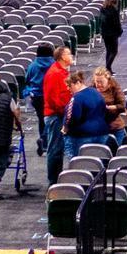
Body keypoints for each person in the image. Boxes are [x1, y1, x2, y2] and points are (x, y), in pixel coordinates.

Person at [41, 47, 75, 183]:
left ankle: (57, 179)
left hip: (60, 115)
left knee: (58, 149)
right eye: (69, 54)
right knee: (55, 150)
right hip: (56, 116)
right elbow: (53, 98)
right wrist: (66, 114)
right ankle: (54, 182)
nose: (71, 56)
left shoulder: (62, 72)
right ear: (62, 57)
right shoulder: (55, 73)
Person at [95, 70, 127, 145]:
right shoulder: (92, 89)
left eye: (101, 82)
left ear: (108, 81)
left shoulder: (115, 88)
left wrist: (111, 107)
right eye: (97, 82)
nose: (99, 84)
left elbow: (123, 106)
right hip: (98, 129)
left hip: (115, 127)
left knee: (117, 152)